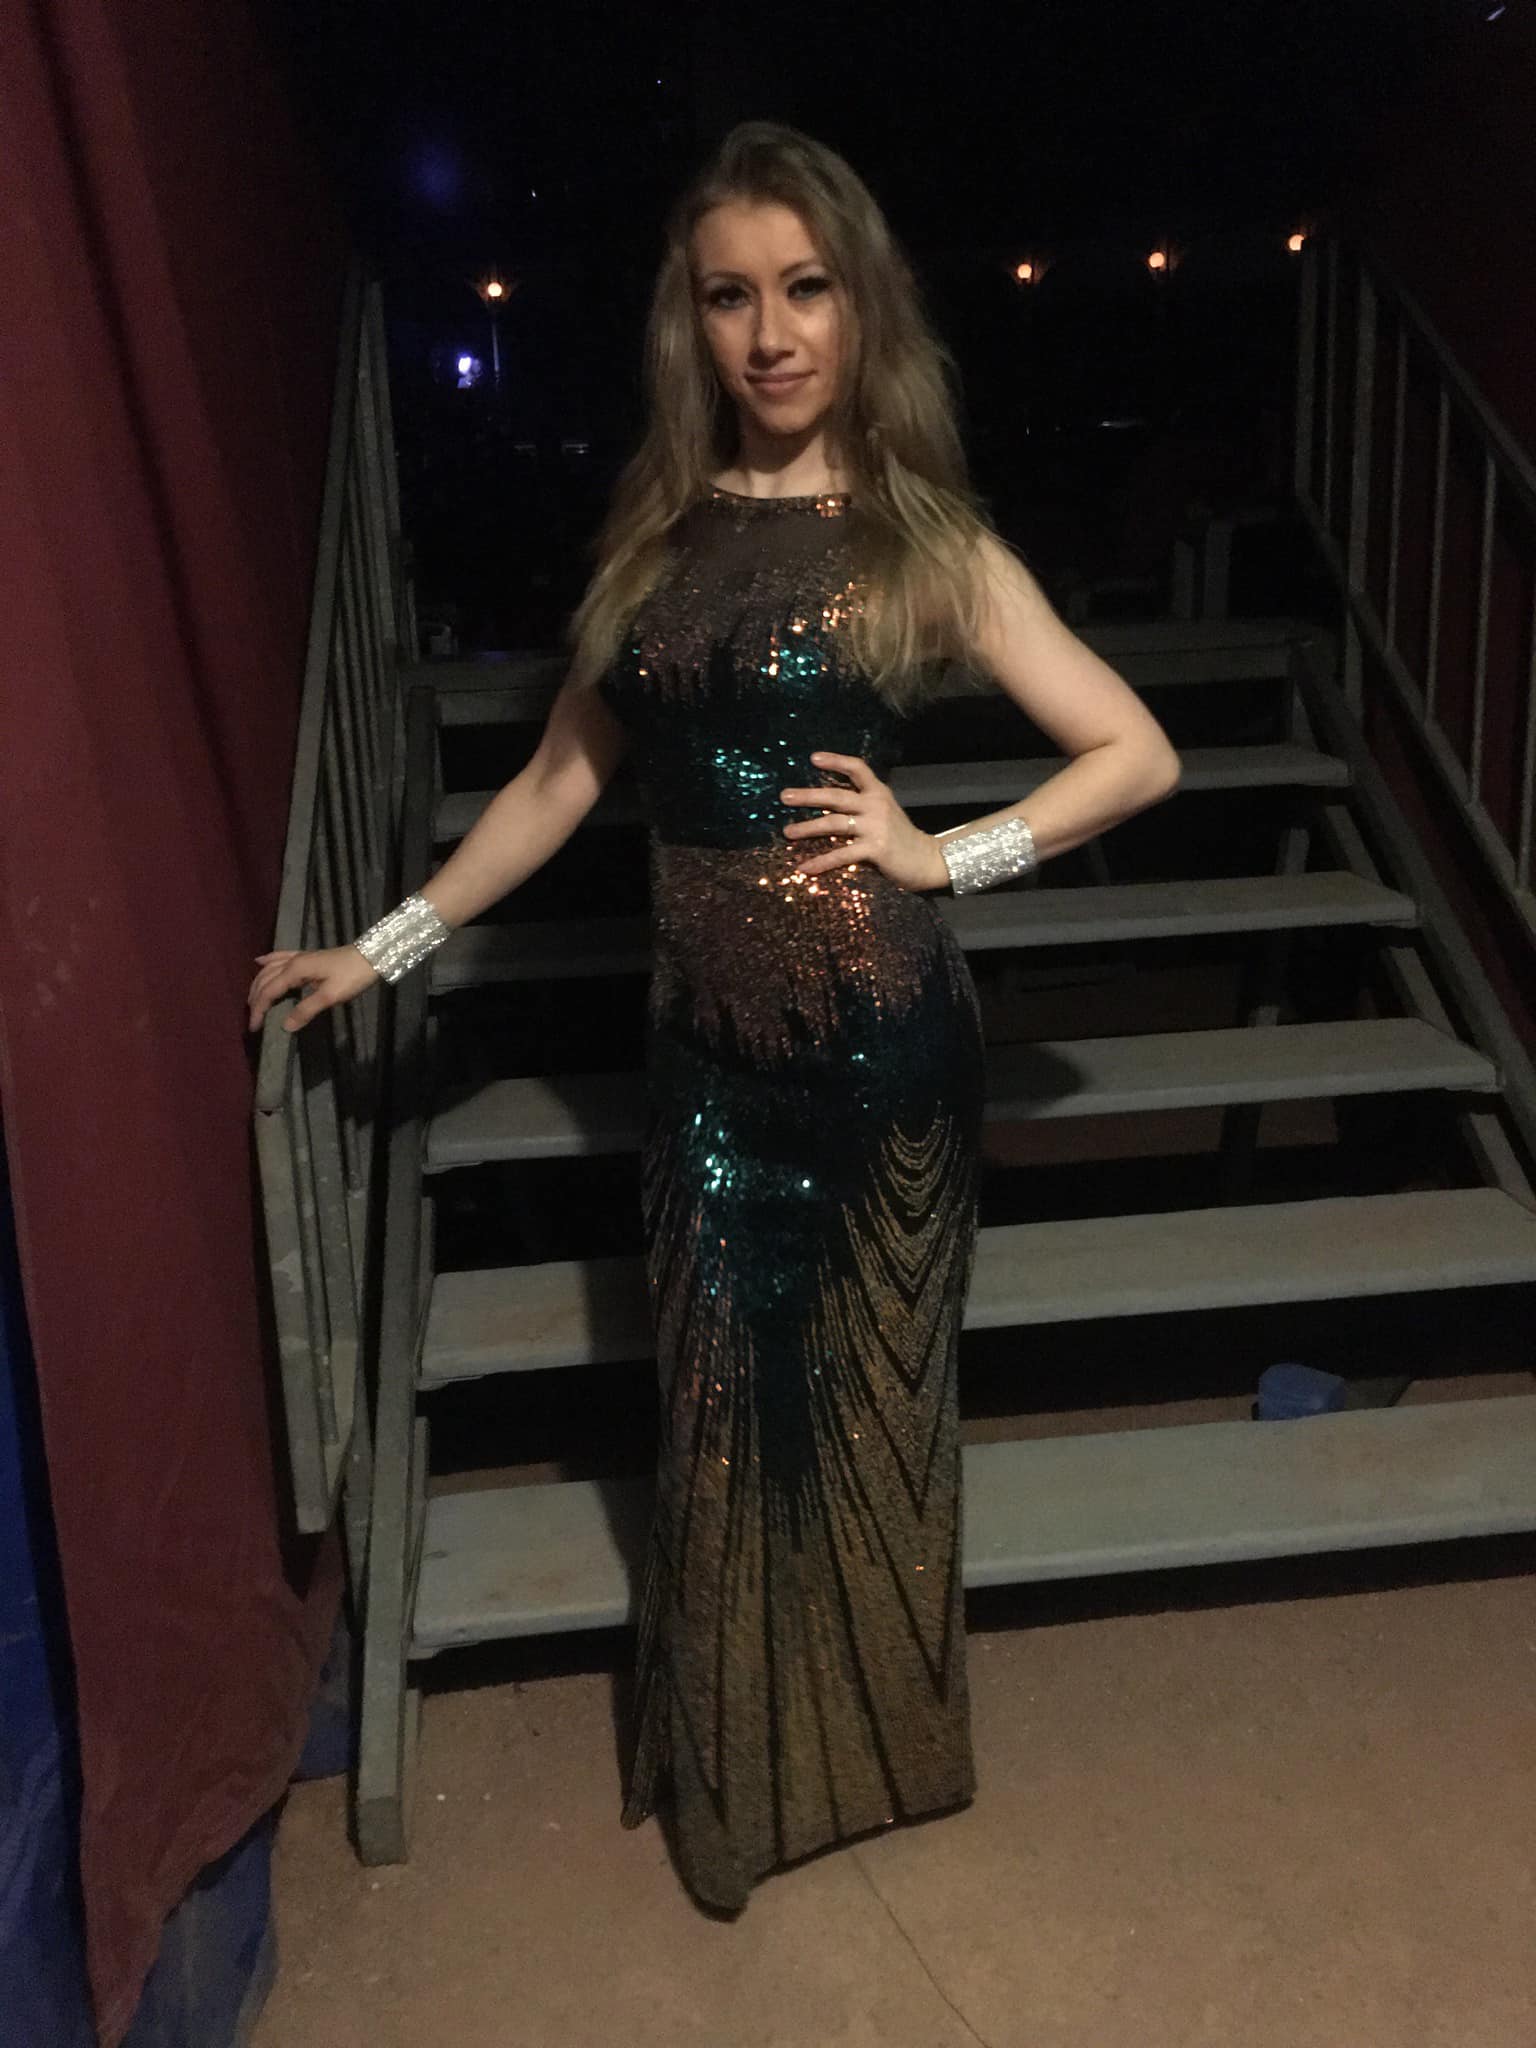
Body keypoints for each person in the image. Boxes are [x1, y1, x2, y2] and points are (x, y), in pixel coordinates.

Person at [247, 119, 1182, 1913]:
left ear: (861, 305)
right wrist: (383, 944)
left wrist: (945, 854)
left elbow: (1135, 753)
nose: (771, 334)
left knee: (874, 1412)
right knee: (720, 1411)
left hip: (880, 1046)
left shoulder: (922, 535)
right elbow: (555, 782)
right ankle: (739, 1782)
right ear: (691, 322)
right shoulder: (659, 538)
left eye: (804, 289)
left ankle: (879, 1757)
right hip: (701, 1063)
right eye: (731, 296)